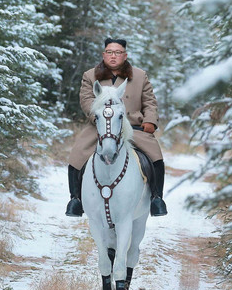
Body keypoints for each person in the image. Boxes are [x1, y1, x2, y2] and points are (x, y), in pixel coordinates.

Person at [65, 38, 168, 217]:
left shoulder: (139, 75)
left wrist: (150, 120)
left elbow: (150, 102)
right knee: (77, 155)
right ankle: (76, 200)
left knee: (155, 158)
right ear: (104, 54)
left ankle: (156, 199)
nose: (113, 56)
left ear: (125, 55)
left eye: (118, 52)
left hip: (134, 128)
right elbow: (86, 101)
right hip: (100, 127)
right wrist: (98, 117)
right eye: (110, 52)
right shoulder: (90, 76)